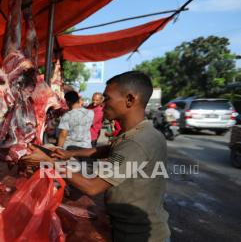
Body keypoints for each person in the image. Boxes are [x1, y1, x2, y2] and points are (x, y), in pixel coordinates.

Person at [22, 71, 170, 242]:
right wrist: (70, 153)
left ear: (130, 99)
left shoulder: (137, 142)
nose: (102, 104)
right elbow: (106, 150)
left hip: (137, 236)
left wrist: (51, 163)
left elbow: (92, 187)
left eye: (107, 99)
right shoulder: (138, 133)